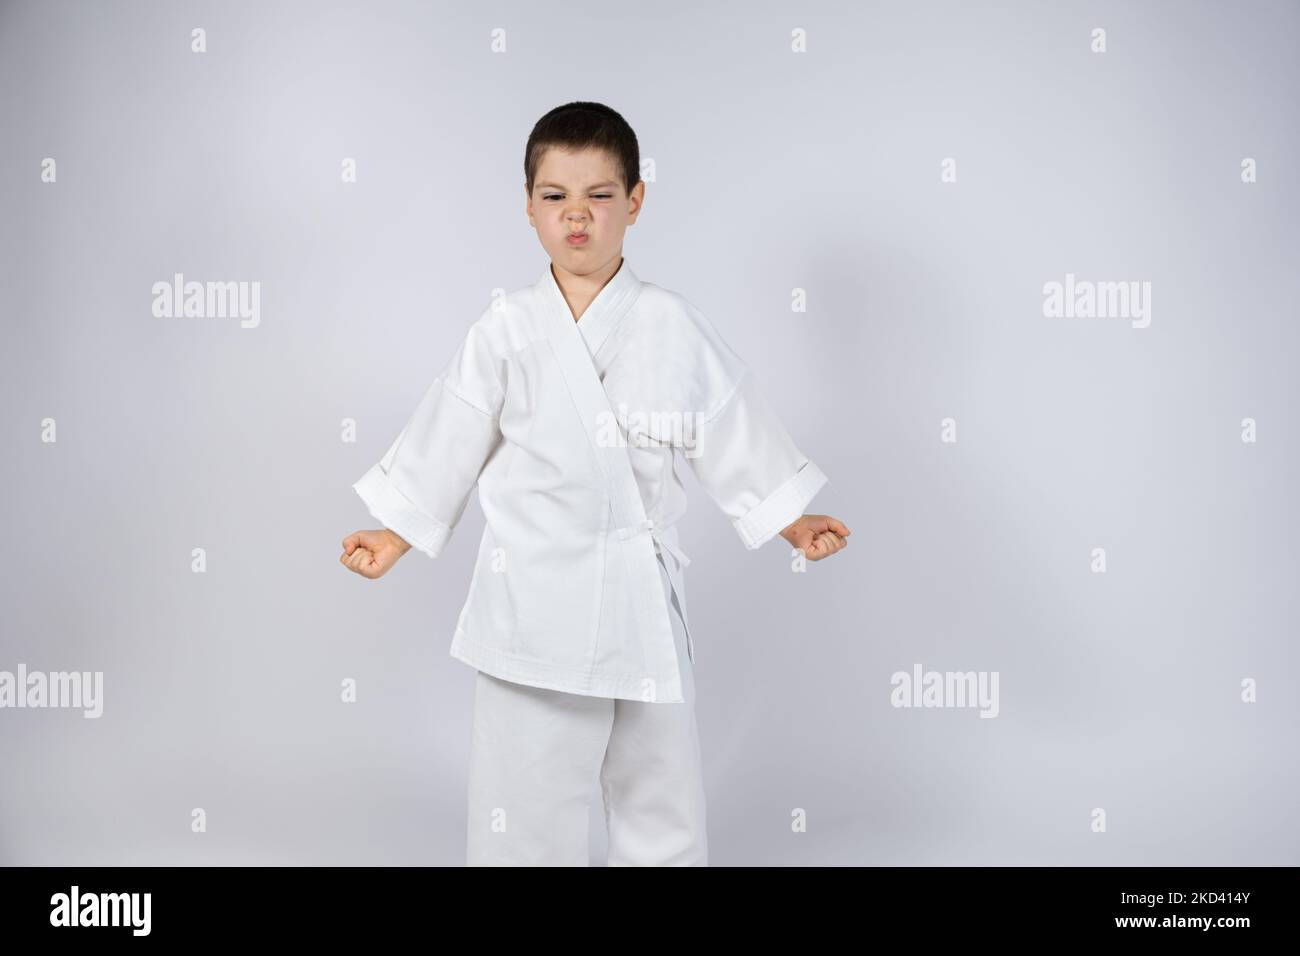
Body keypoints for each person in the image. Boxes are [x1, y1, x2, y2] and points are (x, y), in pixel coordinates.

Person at [340, 101, 850, 866]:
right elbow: (453, 431)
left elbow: (727, 423)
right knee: (525, 799)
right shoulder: (506, 328)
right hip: (530, 600)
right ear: (528, 206)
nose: (576, 217)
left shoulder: (671, 324)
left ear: (635, 201)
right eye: (555, 198)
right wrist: (397, 531)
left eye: (599, 197)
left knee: (659, 795)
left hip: (639, 600)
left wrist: (790, 518)